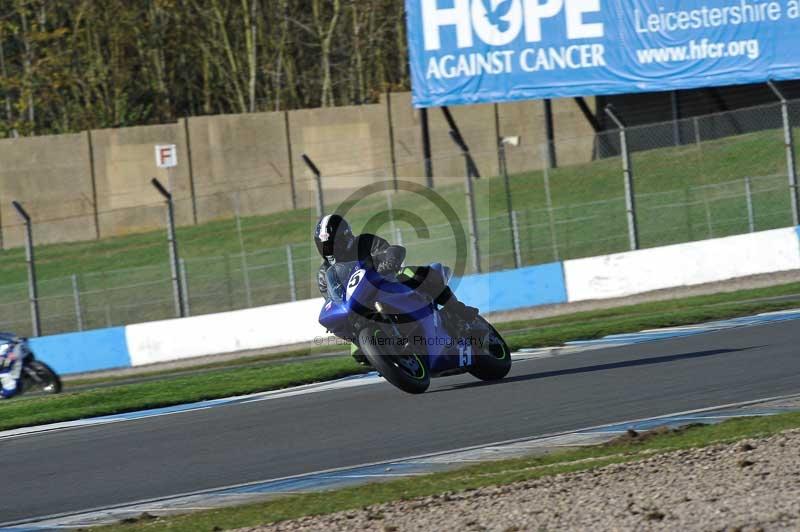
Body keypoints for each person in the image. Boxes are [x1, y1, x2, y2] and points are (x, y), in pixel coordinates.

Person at [314, 214, 479, 327]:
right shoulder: (324, 274)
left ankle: (457, 309)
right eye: (324, 245)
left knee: (411, 274)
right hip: (363, 306)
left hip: (388, 283)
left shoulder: (364, 242)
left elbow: (387, 251)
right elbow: (332, 299)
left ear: (346, 238)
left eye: (333, 244)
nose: (329, 249)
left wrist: (389, 261)